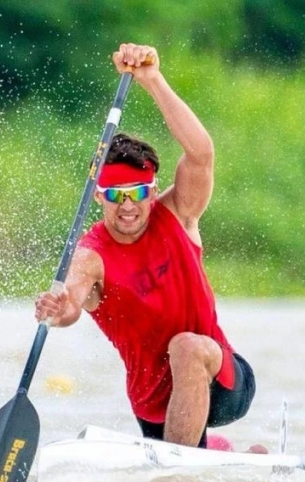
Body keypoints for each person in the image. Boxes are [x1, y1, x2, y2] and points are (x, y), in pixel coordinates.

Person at [35, 43, 264, 453]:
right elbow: (70, 304)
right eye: (115, 194)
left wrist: (152, 79)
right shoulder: (90, 257)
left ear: (153, 189)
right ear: (98, 195)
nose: (128, 206)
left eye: (138, 192)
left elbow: (201, 153)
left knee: (186, 346)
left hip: (223, 379)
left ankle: (185, 462)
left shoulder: (178, 213)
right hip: (155, 406)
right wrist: (57, 309)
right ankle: (226, 456)